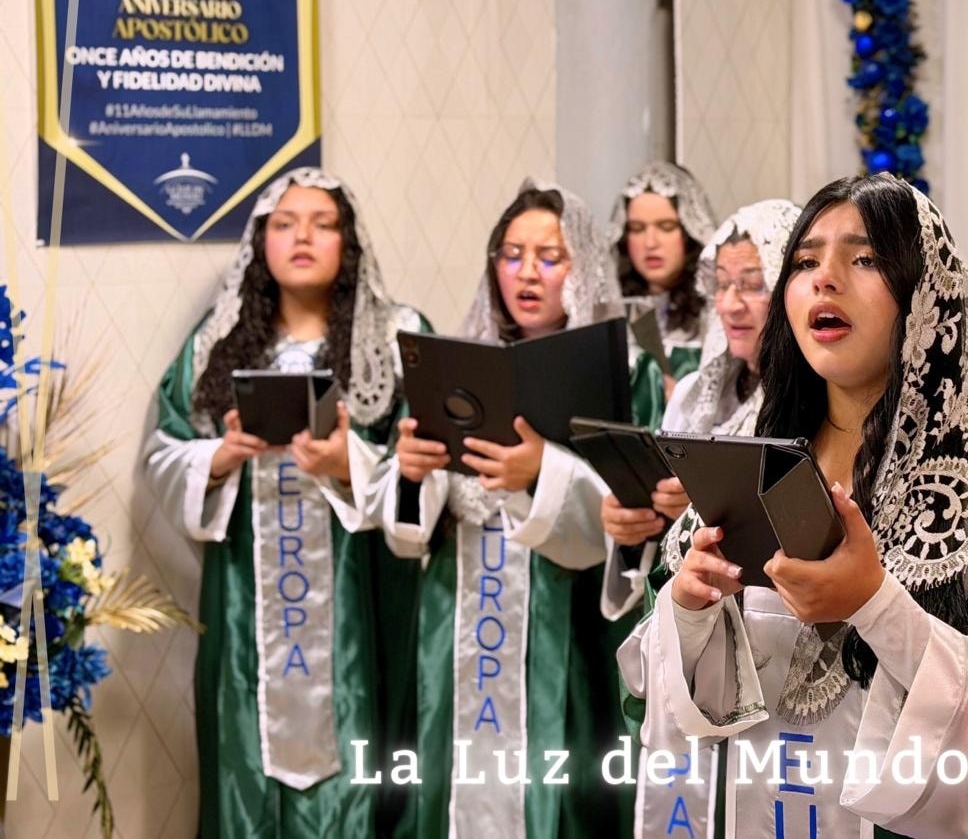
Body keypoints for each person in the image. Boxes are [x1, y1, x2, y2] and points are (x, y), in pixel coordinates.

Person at [621, 174, 968, 837]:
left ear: (923, 292)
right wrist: (687, 610)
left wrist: (877, 605)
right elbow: (647, 701)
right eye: (804, 261)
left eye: (865, 258)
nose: (826, 278)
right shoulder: (742, 462)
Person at [143, 169, 427, 837]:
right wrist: (221, 456)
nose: (302, 236)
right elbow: (163, 453)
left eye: (322, 224)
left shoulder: (394, 340)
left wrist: (348, 463)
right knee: (247, 759)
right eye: (284, 223)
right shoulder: (216, 344)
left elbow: (429, 465)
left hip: (361, 598)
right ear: (260, 241)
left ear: (348, 243)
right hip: (248, 605)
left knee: (360, 760)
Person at [370, 180, 642, 838]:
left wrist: (543, 472)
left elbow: (637, 507)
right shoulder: (453, 364)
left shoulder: (626, 374)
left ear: (583, 265)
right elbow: (407, 523)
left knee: (554, 794)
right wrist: (413, 472)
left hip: (562, 624)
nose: (526, 272)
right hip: (458, 617)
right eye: (512, 254)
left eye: (549, 257)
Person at [599, 198, 801, 620]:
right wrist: (635, 520)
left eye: (754, 284)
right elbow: (661, 551)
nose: (730, 304)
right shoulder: (694, 397)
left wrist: (703, 514)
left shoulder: (808, 404)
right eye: (722, 285)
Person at [611, 161, 719, 383]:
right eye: (637, 229)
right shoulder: (612, 309)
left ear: (689, 232)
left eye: (666, 227)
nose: (650, 243)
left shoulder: (716, 308)